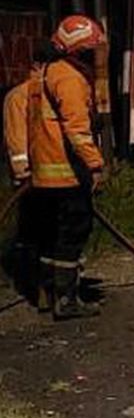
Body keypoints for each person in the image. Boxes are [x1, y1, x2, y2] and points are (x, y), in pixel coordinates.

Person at [28, 15, 107, 320]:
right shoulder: (69, 78)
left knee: (50, 234)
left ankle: (46, 293)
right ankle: (66, 299)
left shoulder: (43, 74)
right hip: (67, 173)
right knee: (73, 233)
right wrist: (94, 164)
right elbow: (77, 130)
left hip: (44, 173)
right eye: (90, 49)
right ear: (78, 50)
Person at [2, 40, 54, 304]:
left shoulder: (49, 94)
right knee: (33, 234)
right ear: (37, 66)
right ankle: (35, 287)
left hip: (52, 178)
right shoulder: (19, 97)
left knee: (51, 234)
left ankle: (49, 288)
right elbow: (17, 140)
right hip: (30, 181)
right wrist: (22, 172)